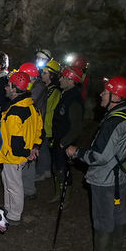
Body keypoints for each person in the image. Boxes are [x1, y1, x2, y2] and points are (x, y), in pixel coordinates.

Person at [65, 77, 126, 251]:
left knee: (104, 216)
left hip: (106, 179)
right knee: (118, 211)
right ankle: (116, 250)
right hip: (122, 174)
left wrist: (75, 152)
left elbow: (99, 156)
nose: (101, 94)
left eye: (106, 91)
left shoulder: (113, 121)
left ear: (116, 96)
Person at [0, 71, 43, 225]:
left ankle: (14, 215)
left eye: (8, 85)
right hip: (21, 154)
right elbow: (39, 129)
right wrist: (35, 146)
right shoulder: (30, 105)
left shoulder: (15, 113)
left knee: (14, 185)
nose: (6, 88)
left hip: (13, 156)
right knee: (8, 182)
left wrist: (26, 152)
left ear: (14, 89)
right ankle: (9, 208)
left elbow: (16, 143)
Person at [49, 65, 84, 204]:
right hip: (59, 139)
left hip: (65, 142)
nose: (60, 79)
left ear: (71, 81)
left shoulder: (74, 99)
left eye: (63, 77)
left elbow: (76, 126)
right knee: (57, 167)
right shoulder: (66, 94)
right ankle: (59, 193)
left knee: (63, 169)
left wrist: (65, 142)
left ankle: (65, 197)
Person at [18, 62, 46, 199]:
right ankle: (26, 188)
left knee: (29, 156)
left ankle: (29, 190)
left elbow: (30, 100)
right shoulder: (36, 86)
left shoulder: (38, 87)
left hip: (34, 125)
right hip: (31, 123)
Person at [35, 59, 62, 181]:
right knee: (42, 148)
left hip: (47, 124)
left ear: (52, 75)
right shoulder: (46, 88)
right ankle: (44, 170)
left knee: (43, 148)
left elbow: (48, 107)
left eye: (45, 73)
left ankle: (44, 171)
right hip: (43, 122)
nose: (42, 74)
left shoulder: (54, 91)